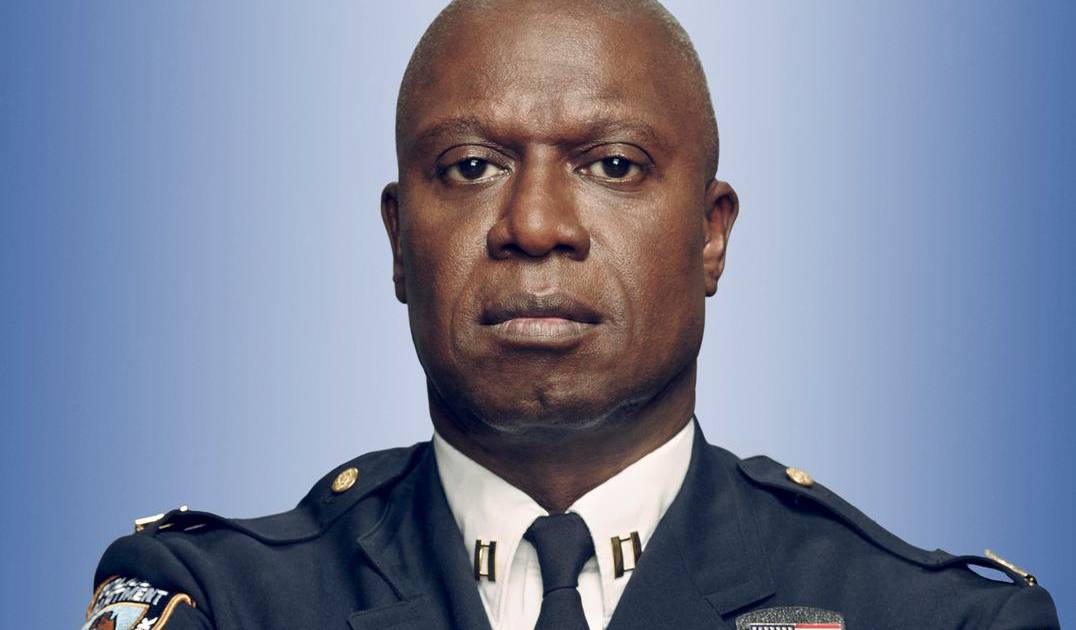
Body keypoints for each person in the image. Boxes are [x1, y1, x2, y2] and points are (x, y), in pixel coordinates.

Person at [84, 1, 1060, 629]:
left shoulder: (932, 618)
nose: (536, 225)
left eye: (613, 165)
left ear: (710, 236)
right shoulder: (218, 599)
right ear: (398, 241)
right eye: (471, 166)